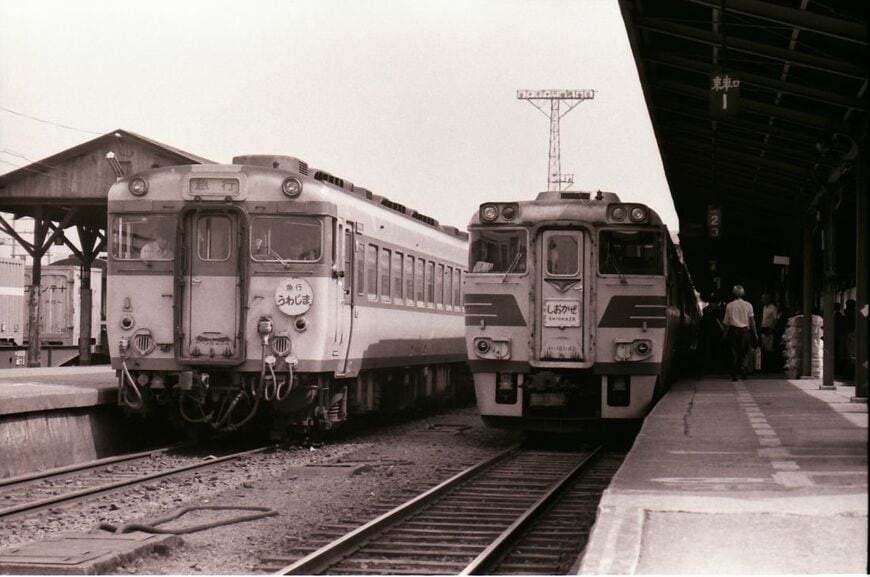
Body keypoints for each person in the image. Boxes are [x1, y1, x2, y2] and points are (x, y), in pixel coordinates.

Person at [723, 285, 758, 381]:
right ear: (744, 293)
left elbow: (727, 323)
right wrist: (755, 333)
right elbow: (752, 321)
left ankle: (734, 371)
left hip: (733, 331)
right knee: (746, 351)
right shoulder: (748, 305)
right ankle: (743, 367)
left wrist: (724, 334)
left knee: (734, 351)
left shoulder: (729, 305)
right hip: (744, 331)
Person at [759, 293, 779, 372]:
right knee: (763, 348)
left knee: (769, 349)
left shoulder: (773, 308)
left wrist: (771, 329)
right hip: (763, 328)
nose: (762, 300)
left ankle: (769, 367)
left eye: (764, 298)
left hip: (769, 328)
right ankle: (763, 367)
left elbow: (775, 319)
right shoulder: (763, 307)